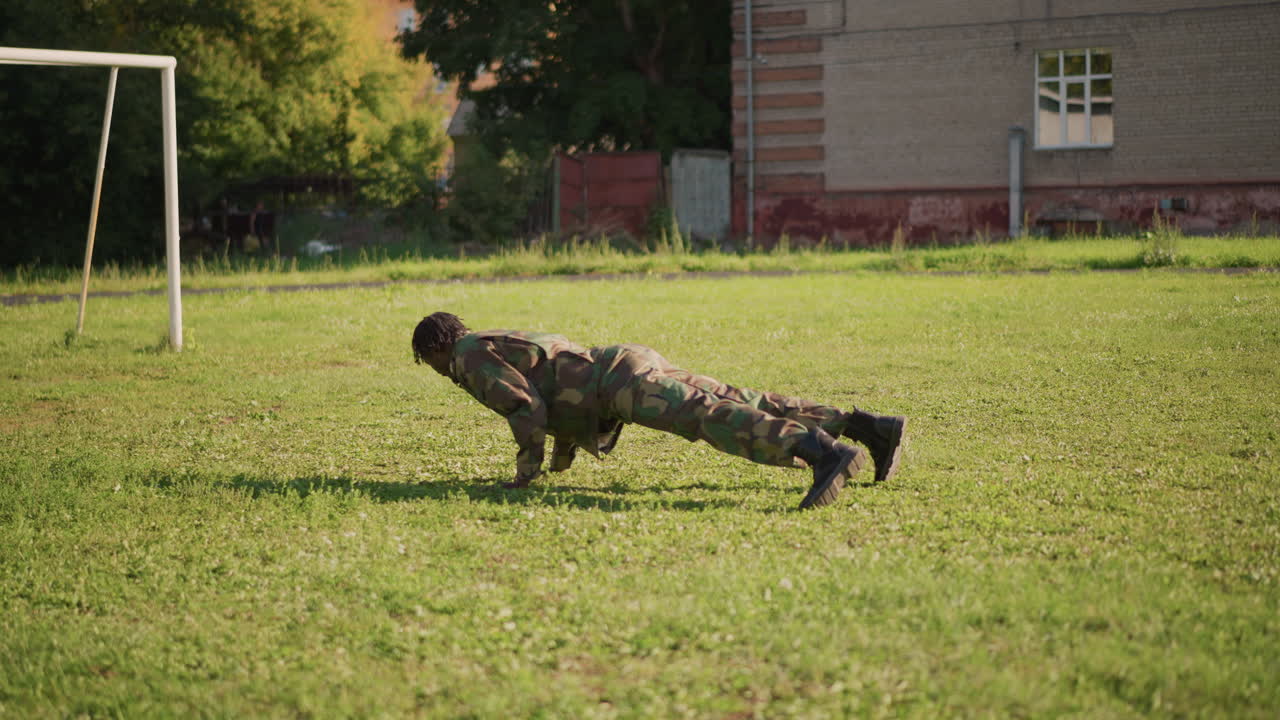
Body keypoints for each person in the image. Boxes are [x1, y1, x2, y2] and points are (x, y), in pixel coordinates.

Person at [412, 312, 907, 509]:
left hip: (617, 384)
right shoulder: (494, 338)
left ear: (435, 350)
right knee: (737, 398)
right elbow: (554, 397)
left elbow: (524, 405)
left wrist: (526, 472)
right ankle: (870, 427)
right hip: (623, 361)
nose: (436, 370)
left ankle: (821, 452)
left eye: (428, 362)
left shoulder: (467, 358)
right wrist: (558, 464)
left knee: (707, 415)